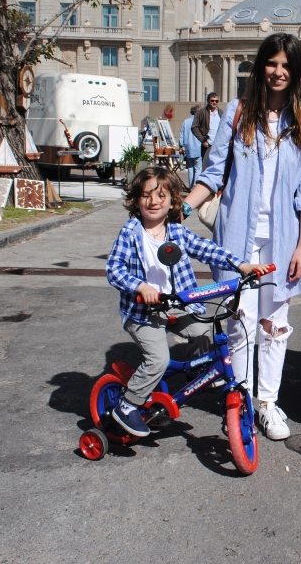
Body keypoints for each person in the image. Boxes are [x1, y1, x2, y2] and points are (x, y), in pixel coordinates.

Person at [183, 33, 301, 441]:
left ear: (296, 73)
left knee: (274, 324)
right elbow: (212, 172)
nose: (278, 72)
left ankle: (267, 403)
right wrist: (182, 209)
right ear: (260, 67)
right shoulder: (238, 114)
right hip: (236, 240)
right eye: (271, 63)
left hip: (282, 242)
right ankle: (238, 397)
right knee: (239, 321)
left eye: (286, 66)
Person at [105, 167, 264, 437]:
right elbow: (114, 269)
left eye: (160, 196)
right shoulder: (131, 232)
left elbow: (206, 249)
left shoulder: (176, 232)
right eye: (146, 196)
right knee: (158, 358)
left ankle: (195, 371)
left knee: (205, 330)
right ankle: (128, 403)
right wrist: (140, 286)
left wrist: (241, 264)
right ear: (136, 200)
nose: (153, 202)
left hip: (176, 304)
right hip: (143, 312)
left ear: (172, 201)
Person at [192, 92, 222, 163]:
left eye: (216, 101)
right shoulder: (201, 112)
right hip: (207, 145)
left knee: (218, 167)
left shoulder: (221, 112)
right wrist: (203, 140)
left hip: (218, 145)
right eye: (212, 100)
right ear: (208, 101)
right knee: (206, 167)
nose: (214, 102)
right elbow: (194, 127)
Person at [180, 105, 202, 190]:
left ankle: (190, 186)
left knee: (190, 168)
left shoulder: (186, 121)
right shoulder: (199, 121)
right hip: (198, 147)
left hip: (188, 147)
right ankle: (195, 187)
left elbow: (181, 134)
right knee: (198, 168)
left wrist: (181, 145)